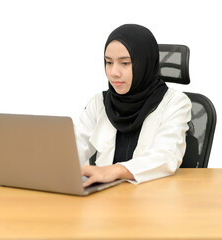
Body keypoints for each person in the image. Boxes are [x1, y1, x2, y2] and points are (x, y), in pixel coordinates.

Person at [74, 24, 192, 187]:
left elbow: (166, 156)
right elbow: (74, 147)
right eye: (109, 62)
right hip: (105, 199)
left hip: (152, 198)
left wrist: (115, 170)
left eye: (125, 63)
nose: (114, 72)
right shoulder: (99, 102)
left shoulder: (175, 102)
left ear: (144, 63)